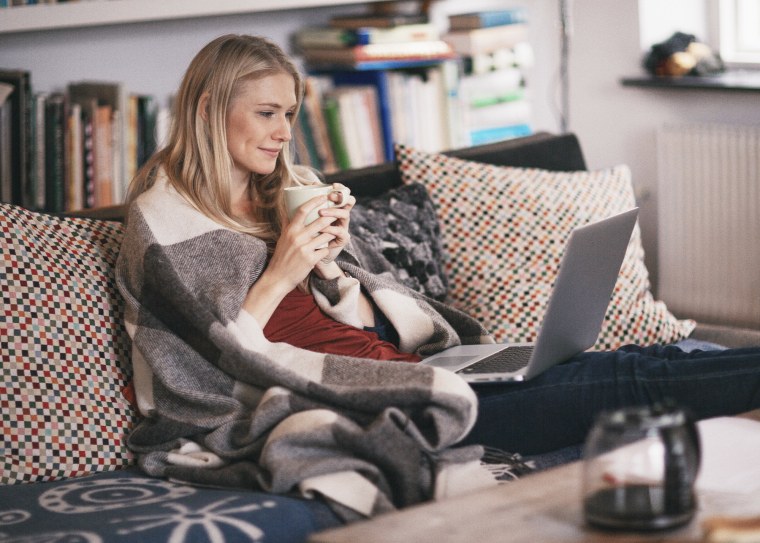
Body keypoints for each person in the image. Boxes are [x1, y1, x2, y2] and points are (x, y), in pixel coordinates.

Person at [116, 34, 760, 515]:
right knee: (613, 384)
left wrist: (335, 269)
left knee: (638, 364)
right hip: (346, 399)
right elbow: (210, 370)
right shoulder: (163, 224)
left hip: (398, 367)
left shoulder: (288, 191)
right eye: (267, 113)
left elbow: (371, 321)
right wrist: (285, 268)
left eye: (290, 112)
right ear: (207, 106)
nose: (285, 131)